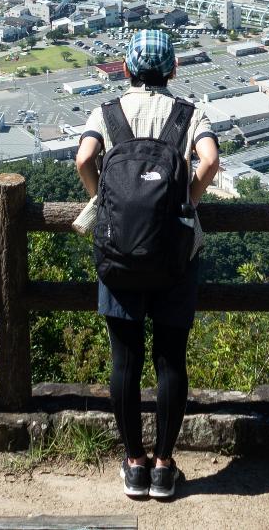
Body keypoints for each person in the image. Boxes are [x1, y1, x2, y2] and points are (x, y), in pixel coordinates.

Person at [75, 28, 221, 501]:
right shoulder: (189, 113)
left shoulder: (109, 112)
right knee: (170, 358)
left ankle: (133, 463)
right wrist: (186, 199)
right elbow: (210, 161)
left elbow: (84, 158)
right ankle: (163, 466)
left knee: (126, 359)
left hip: (119, 253)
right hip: (175, 252)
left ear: (128, 69)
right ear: (173, 70)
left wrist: (105, 200)